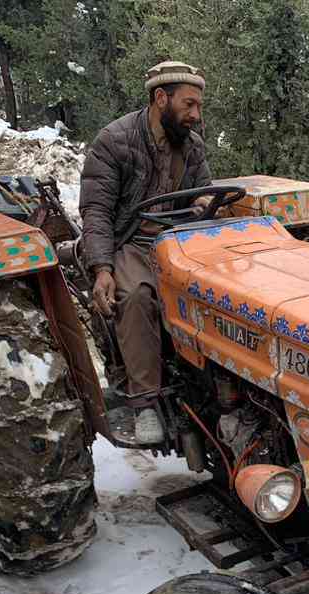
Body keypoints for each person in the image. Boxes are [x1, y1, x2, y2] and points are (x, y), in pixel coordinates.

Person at [79, 61, 213, 443]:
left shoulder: (192, 145)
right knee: (136, 296)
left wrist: (202, 202)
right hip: (133, 239)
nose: (195, 114)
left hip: (179, 242)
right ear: (160, 98)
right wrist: (102, 267)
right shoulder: (114, 141)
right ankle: (145, 404)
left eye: (198, 106)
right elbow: (97, 211)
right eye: (189, 105)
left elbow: (202, 191)